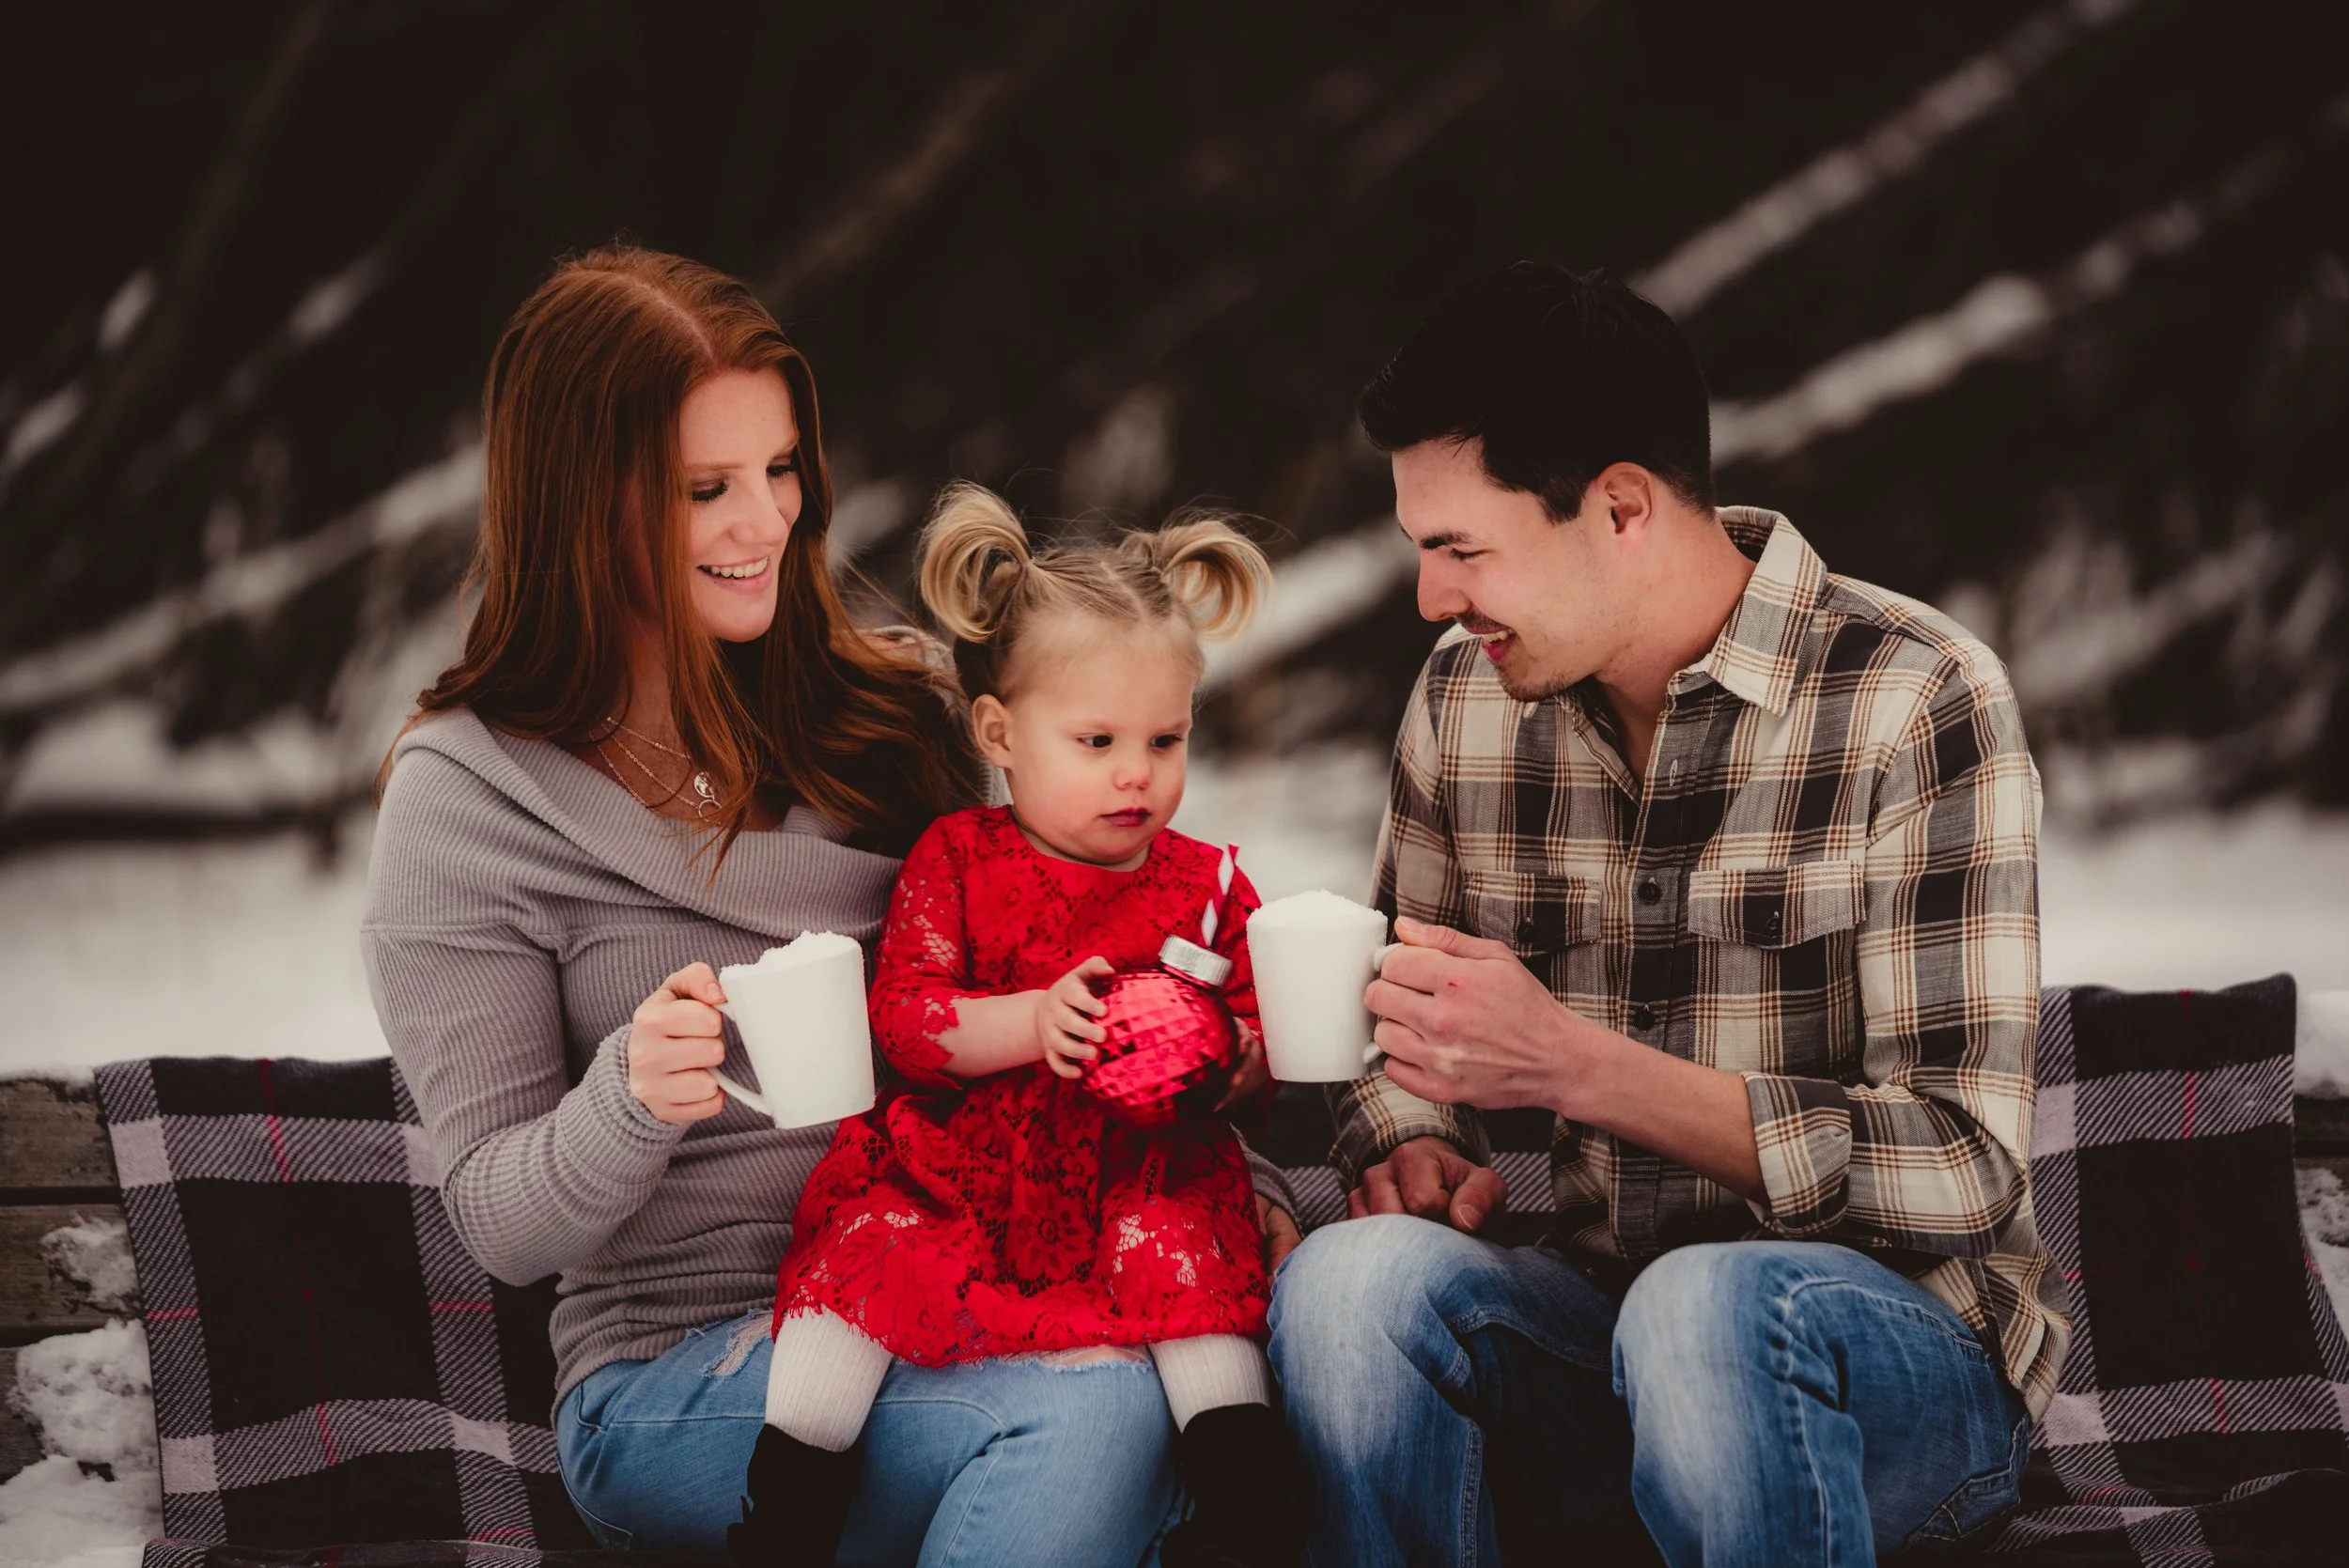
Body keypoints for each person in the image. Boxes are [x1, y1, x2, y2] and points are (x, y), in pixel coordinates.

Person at [365, 247, 1294, 1565]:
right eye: (707, 488)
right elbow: (504, 1226)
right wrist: (630, 1092)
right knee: (1087, 1417)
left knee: (1160, 1399)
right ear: (581, 503)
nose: (768, 523)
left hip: (986, 1281)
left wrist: (1229, 1163)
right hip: (690, 1363)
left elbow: (1072, 956)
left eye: (782, 469)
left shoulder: (894, 714)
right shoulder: (471, 799)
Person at [1268, 263, 2070, 1565]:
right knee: (1347, 1285)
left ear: (1623, 506)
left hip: (1894, 1375)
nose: (1431, 598)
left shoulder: (1913, 697)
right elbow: (1392, 1029)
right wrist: (1410, 1137)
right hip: (1596, 1337)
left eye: (1460, 549)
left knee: (1708, 1305)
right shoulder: (1466, 698)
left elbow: (1963, 1164)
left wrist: (1576, 1066)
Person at [731, 483, 1306, 1568]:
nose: (1137, 772)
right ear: (999, 730)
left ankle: (1242, 1502)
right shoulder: (958, 857)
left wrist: (1227, 1061)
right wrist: (1032, 1022)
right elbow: (905, 1021)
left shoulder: (1213, 886)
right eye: (1095, 739)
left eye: (1165, 738)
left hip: (1140, 1169)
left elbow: (1253, 1040)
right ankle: (790, 1498)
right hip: (967, 1170)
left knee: (1185, 1260)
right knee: (867, 1255)